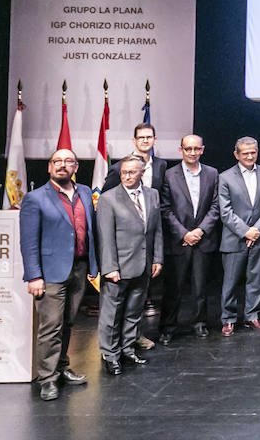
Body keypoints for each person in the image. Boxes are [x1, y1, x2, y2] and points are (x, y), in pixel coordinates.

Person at [19, 149, 98, 401]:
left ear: (76, 167)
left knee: (69, 324)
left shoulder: (84, 192)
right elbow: (28, 242)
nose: (62, 165)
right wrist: (34, 276)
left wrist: (93, 266)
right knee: (51, 327)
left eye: (68, 162)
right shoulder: (35, 198)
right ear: (49, 167)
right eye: (57, 161)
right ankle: (48, 379)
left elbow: (91, 231)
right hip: (50, 273)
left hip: (79, 267)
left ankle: (62, 368)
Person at [95, 157, 163, 375]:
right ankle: (110, 354)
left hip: (143, 264)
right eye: (124, 172)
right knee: (112, 313)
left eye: (132, 172)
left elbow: (157, 230)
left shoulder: (152, 195)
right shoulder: (108, 198)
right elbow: (105, 237)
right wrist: (109, 267)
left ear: (142, 173)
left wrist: (157, 258)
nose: (127, 176)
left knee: (134, 311)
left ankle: (127, 348)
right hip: (119, 267)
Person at [159, 134, 219, 344]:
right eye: (188, 149)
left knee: (200, 287)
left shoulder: (212, 173)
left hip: (202, 239)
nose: (192, 153)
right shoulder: (169, 175)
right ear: (181, 150)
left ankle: (200, 323)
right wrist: (184, 233)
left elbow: (215, 206)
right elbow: (165, 209)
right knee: (173, 288)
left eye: (196, 149)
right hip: (179, 240)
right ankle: (168, 327)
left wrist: (200, 231)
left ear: (202, 149)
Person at [218, 136, 260, 337]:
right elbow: (225, 211)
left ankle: (252, 315)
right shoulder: (225, 177)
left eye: (253, 152)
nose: (250, 156)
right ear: (236, 154)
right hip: (235, 238)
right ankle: (228, 318)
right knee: (231, 281)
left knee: (256, 279)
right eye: (245, 153)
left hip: (259, 237)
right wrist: (246, 231)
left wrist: (257, 230)